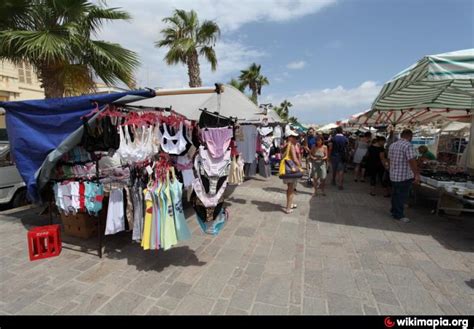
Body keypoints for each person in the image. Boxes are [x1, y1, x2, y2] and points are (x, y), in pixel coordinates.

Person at [388, 129, 420, 223]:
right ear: (410, 136)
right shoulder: (408, 145)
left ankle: (394, 211)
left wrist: (391, 169)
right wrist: (416, 174)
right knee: (401, 196)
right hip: (403, 175)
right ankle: (399, 215)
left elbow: (389, 159)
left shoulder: (393, 145)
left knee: (395, 194)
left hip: (394, 174)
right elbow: (412, 160)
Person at [282, 129, 302, 214]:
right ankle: (288, 208)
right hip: (291, 169)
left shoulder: (285, 145)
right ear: (289, 137)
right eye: (294, 137)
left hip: (286, 169)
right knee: (291, 189)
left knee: (290, 188)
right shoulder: (291, 146)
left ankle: (290, 204)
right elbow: (294, 158)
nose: (296, 138)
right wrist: (300, 167)